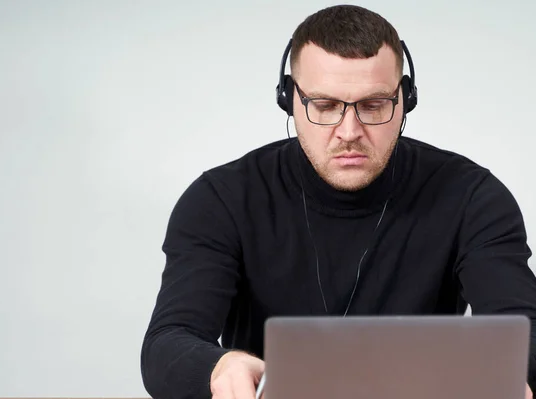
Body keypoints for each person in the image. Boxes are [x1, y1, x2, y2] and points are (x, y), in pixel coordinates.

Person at [140, 4, 536, 399]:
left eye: (373, 105)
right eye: (325, 106)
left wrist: (509, 374)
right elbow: (167, 344)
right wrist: (219, 367)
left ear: (405, 101)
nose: (349, 131)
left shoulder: (473, 198)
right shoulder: (220, 199)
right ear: (289, 99)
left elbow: (524, 328)